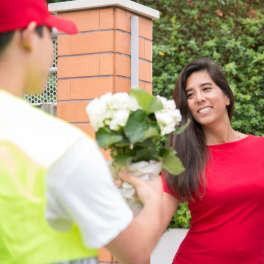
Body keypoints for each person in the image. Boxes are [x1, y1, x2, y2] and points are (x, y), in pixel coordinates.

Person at [0, 0, 164, 263]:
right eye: (50, 36)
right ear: (29, 36)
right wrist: (155, 198)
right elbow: (136, 250)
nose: (52, 51)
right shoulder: (58, 145)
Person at [160, 58, 264, 263]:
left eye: (206, 89)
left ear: (226, 96)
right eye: (190, 95)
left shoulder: (260, 147)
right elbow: (154, 222)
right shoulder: (183, 156)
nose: (199, 98)